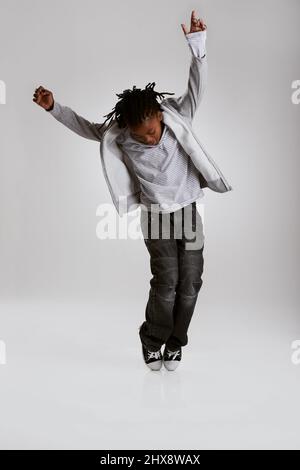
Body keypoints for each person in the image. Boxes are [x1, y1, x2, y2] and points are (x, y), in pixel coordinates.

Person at [33, 10, 232, 372]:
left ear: (159, 115)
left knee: (191, 284)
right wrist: (54, 108)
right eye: (142, 136)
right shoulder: (122, 133)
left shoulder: (174, 117)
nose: (149, 139)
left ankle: (176, 342)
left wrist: (198, 46)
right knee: (167, 282)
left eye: (152, 131)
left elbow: (196, 88)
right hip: (155, 217)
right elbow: (86, 127)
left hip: (188, 211)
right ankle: (152, 339)